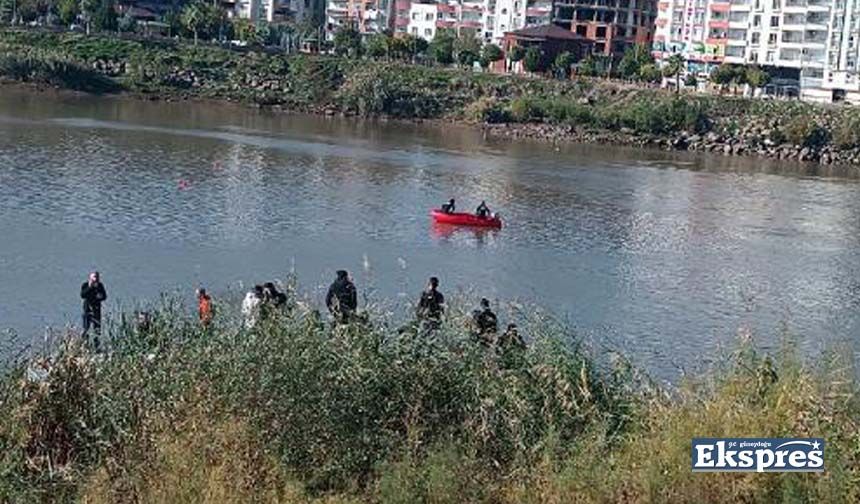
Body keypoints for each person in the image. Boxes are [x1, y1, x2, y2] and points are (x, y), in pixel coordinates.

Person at [80, 271, 107, 349]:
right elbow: (83, 295)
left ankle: (97, 347)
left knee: (97, 330)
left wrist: (100, 296)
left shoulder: (100, 286)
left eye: (97, 277)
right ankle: (85, 346)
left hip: (96, 311)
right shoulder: (85, 285)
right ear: (90, 277)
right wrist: (91, 286)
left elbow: (104, 296)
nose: (96, 279)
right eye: (94, 277)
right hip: (87, 311)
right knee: (86, 329)